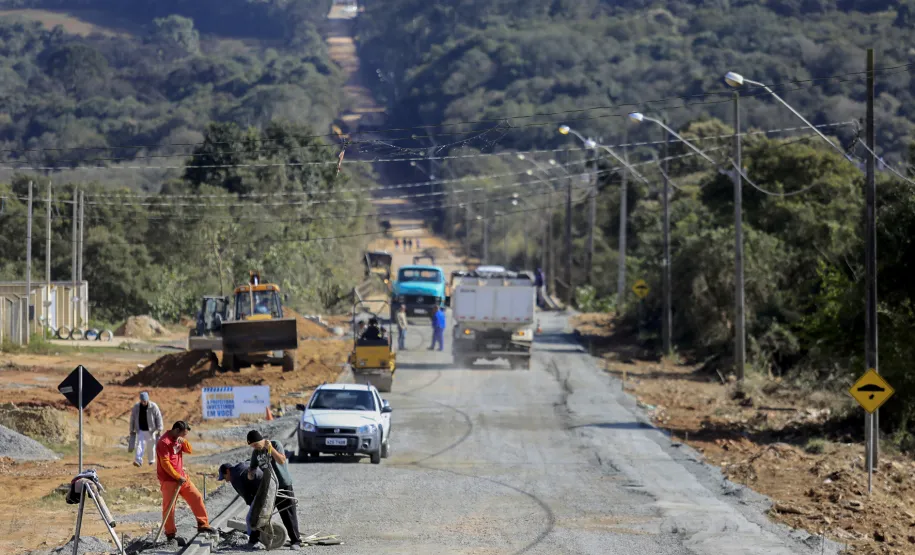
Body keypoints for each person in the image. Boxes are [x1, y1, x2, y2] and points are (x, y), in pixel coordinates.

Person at [156, 421, 215, 543]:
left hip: (182, 478)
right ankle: (170, 534)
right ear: (177, 430)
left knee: (196, 497)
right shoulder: (163, 442)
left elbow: (189, 450)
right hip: (169, 480)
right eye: (183, 434)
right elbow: (165, 464)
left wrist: (185, 442)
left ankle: (203, 525)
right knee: (169, 508)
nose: (183, 437)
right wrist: (177, 477)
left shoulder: (179, 439)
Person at [247, 430, 301, 548]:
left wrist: (271, 448)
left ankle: (296, 541)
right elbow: (252, 468)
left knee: (288, 514)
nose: (255, 447)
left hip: (282, 484)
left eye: (256, 444)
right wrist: (250, 473)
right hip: (269, 487)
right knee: (261, 512)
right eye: (252, 446)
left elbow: (281, 460)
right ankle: (254, 540)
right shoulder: (256, 453)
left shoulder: (275, 444)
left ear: (261, 440)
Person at [219, 461, 263, 547]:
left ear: (227, 471)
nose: (225, 479)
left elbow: (246, 496)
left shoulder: (234, 478)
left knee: (250, 518)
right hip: (264, 484)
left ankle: (252, 541)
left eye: (224, 476)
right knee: (253, 514)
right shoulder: (240, 466)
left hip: (261, 492)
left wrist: (254, 509)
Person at [129, 391, 163, 467]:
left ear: (147, 399)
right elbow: (133, 418)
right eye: (142, 401)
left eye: (145, 401)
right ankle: (138, 460)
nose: (143, 402)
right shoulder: (136, 407)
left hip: (151, 430)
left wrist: (159, 428)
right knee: (139, 445)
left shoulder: (153, 406)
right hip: (140, 429)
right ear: (140, 400)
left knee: (151, 445)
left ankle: (151, 460)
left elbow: (158, 417)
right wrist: (132, 429)